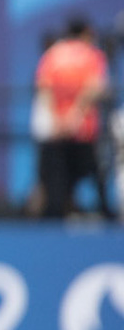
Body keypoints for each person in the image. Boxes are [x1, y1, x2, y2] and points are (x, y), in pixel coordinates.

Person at [35, 16, 114, 220]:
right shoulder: (92, 54)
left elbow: (44, 89)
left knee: (59, 185)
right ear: (87, 31)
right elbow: (96, 87)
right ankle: (106, 220)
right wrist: (76, 115)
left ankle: (58, 222)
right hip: (84, 130)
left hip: (58, 131)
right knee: (97, 180)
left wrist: (56, 118)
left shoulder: (53, 54)